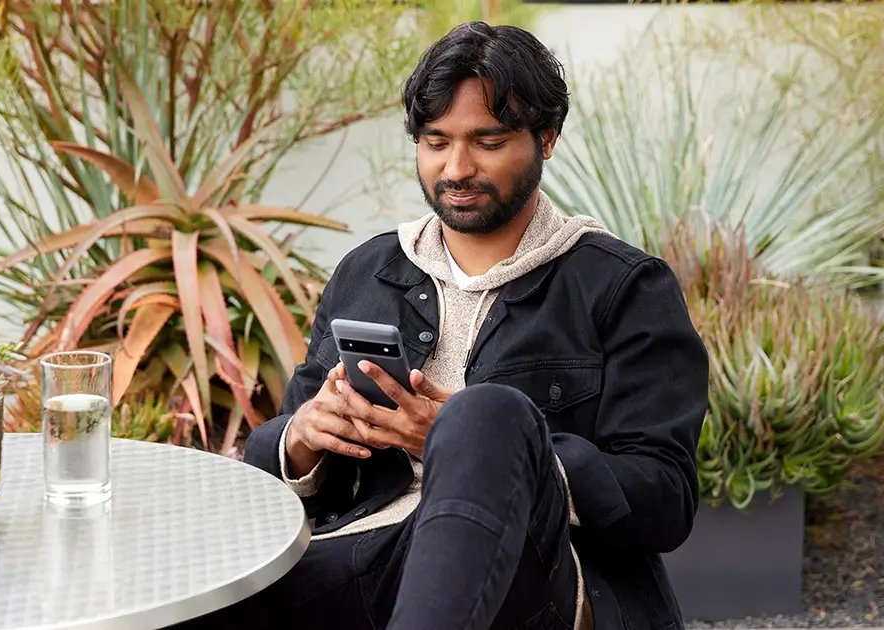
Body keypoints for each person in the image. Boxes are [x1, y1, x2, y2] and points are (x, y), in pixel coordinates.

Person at [179, 21, 709, 630]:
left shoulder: (623, 286)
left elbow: (664, 498)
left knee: (488, 416)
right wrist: (301, 438)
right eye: (435, 142)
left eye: (487, 142)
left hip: (537, 575)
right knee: (196, 594)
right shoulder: (368, 271)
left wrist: (469, 443)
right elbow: (276, 461)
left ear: (547, 137)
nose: (457, 167)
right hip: (370, 552)